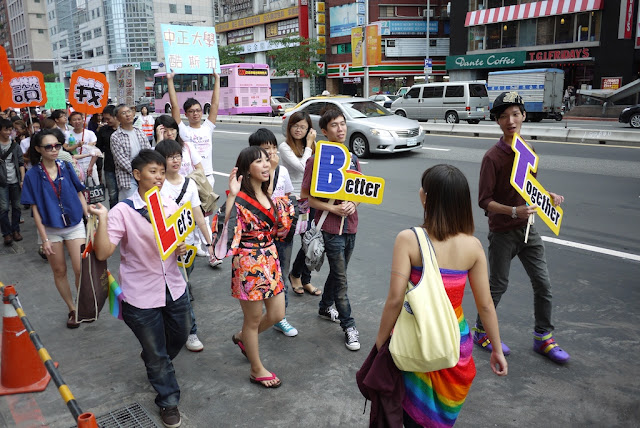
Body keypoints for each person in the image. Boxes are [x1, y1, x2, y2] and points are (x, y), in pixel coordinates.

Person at [374, 164, 507, 427]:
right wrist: (497, 348)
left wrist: (380, 344)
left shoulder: (409, 240)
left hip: (418, 338)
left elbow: (395, 300)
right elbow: (486, 305)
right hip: (455, 344)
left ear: (427, 198)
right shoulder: (473, 246)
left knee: (411, 415)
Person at [88, 149, 191, 428]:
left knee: (181, 332)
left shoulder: (168, 202)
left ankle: (156, 362)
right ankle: (168, 400)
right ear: (137, 175)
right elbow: (103, 252)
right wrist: (102, 219)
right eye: (152, 172)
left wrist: (181, 246)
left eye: (161, 171)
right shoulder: (123, 210)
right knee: (157, 353)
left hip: (174, 286)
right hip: (140, 293)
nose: (159, 177)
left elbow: (178, 241)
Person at [475, 91, 570, 364]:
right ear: (497, 121)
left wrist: (547, 195)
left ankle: (544, 337)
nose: (510, 120)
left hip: (529, 228)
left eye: (515, 114)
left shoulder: (527, 150)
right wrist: (513, 211)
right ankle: (482, 331)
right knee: (498, 286)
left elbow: (529, 188)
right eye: (504, 116)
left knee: (543, 284)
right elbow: (484, 200)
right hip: (503, 232)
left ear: (524, 116)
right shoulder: (492, 158)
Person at [219, 146, 295, 388]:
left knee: (277, 314)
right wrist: (231, 195)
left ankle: (243, 338)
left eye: (266, 160)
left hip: (270, 259)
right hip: (248, 262)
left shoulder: (268, 194)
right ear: (246, 169)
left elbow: (279, 228)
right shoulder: (239, 198)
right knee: (252, 319)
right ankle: (256, 368)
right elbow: (222, 235)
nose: (265, 165)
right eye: (259, 162)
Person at [300, 109, 361, 351]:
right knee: (342, 280)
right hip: (330, 227)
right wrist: (333, 209)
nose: (341, 129)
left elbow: (360, 191)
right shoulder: (315, 161)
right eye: (334, 125)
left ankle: (326, 306)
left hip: (352, 226)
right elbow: (306, 198)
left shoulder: (353, 158)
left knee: (339, 273)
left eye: (343, 124)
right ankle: (349, 326)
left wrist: (352, 203)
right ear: (324, 131)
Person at [20, 128, 88, 327]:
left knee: (80, 269)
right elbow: (35, 209)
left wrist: (87, 215)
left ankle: (81, 302)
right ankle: (72, 309)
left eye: (57, 145)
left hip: (75, 224)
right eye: (48, 146)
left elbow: (79, 192)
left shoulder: (66, 166)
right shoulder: (32, 175)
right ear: (38, 149)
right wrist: (44, 239)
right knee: (59, 271)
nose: (54, 149)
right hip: (50, 229)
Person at [155, 139, 212, 352]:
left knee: (181, 288)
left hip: (187, 248)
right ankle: (191, 331)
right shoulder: (156, 186)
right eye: (170, 157)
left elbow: (197, 213)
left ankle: (177, 327)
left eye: (178, 156)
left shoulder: (189, 183)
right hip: (164, 248)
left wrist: (209, 241)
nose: (175, 160)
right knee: (181, 291)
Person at [248, 128, 298, 337]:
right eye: (265, 150)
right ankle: (258, 318)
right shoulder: (250, 175)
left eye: (273, 148)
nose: (270, 154)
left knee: (282, 274)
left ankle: (280, 317)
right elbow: (260, 203)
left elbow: (289, 195)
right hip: (262, 238)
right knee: (262, 277)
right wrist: (272, 171)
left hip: (282, 231)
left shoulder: (283, 171)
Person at [168, 71, 219, 258]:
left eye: (198, 110)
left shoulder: (208, 127)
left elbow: (214, 104)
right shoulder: (183, 129)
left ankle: (203, 245)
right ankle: (196, 244)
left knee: (205, 212)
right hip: (189, 180)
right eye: (191, 111)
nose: (195, 113)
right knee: (191, 212)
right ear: (186, 114)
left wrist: (217, 79)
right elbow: (174, 106)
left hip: (207, 177)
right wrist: (170, 80)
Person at [278, 111, 321, 296]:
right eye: (295, 126)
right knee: (288, 241)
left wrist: (312, 145)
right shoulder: (284, 147)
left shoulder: (312, 146)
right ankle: (285, 280)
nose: (299, 130)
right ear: (289, 127)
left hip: (309, 199)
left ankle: (301, 277)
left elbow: (319, 167)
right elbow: (303, 167)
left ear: (309, 129)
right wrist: (310, 145)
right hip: (291, 200)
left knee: (309, 241)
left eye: (303, 127)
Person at [110, 104, 151, 201]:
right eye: (123, 113)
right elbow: (121, 161)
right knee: (131, 205)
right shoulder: (116, 136)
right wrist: (138, 173)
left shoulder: (139, 132)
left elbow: (148, 152)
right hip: (128, 178)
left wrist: (146, 171)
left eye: (129, 111)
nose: (128, 115)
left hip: (144, 174)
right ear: (118, 118)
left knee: (146, 204)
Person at [0, 118, 25, 245]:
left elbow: (21, 162)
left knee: (16, 206)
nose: (9, 132)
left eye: (10, 129)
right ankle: (6, 233)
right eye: (6, 129)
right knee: (3, 208)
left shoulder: (15, 145)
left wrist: (22, 178)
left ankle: (15, 230)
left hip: (15, 179)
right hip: (1, 181)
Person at [96, 105, 120, 208]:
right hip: (109, 167)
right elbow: (99, 148)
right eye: (104, 119)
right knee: (113, 195)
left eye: (108, 118)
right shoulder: (103, 130)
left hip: (126, 169)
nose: (106, 121)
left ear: (115, 116)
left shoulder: (124, 129)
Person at [68, 112, 101, 184]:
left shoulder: (90, 133)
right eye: (74, 120)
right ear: (70, 122)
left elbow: (95, 151)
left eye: (79, 119)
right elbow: (66, 149)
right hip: (75, 164)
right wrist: (76, 145)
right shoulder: (67, 134)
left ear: (83, 120)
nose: (77, 122)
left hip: (89, 162)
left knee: (93, 186)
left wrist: (91, 166)